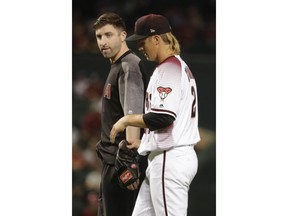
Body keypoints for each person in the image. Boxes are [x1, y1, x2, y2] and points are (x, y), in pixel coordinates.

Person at [110, 14, 200, 216]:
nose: (140, 47)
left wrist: (127, 120)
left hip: (170, 160)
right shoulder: (176, 66)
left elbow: (163, 118)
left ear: (156, 39)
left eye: (143, 41)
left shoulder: (169, 68)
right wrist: (144, 143)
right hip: (166, 158)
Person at [92, 12, 148, 216]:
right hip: (112, 161)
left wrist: (129, 160)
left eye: (108, 35)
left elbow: (132, 115)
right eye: (99, 37)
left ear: (123, 35)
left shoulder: (128, 65)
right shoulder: (118, 65)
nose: (103, 42)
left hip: (121, 163)